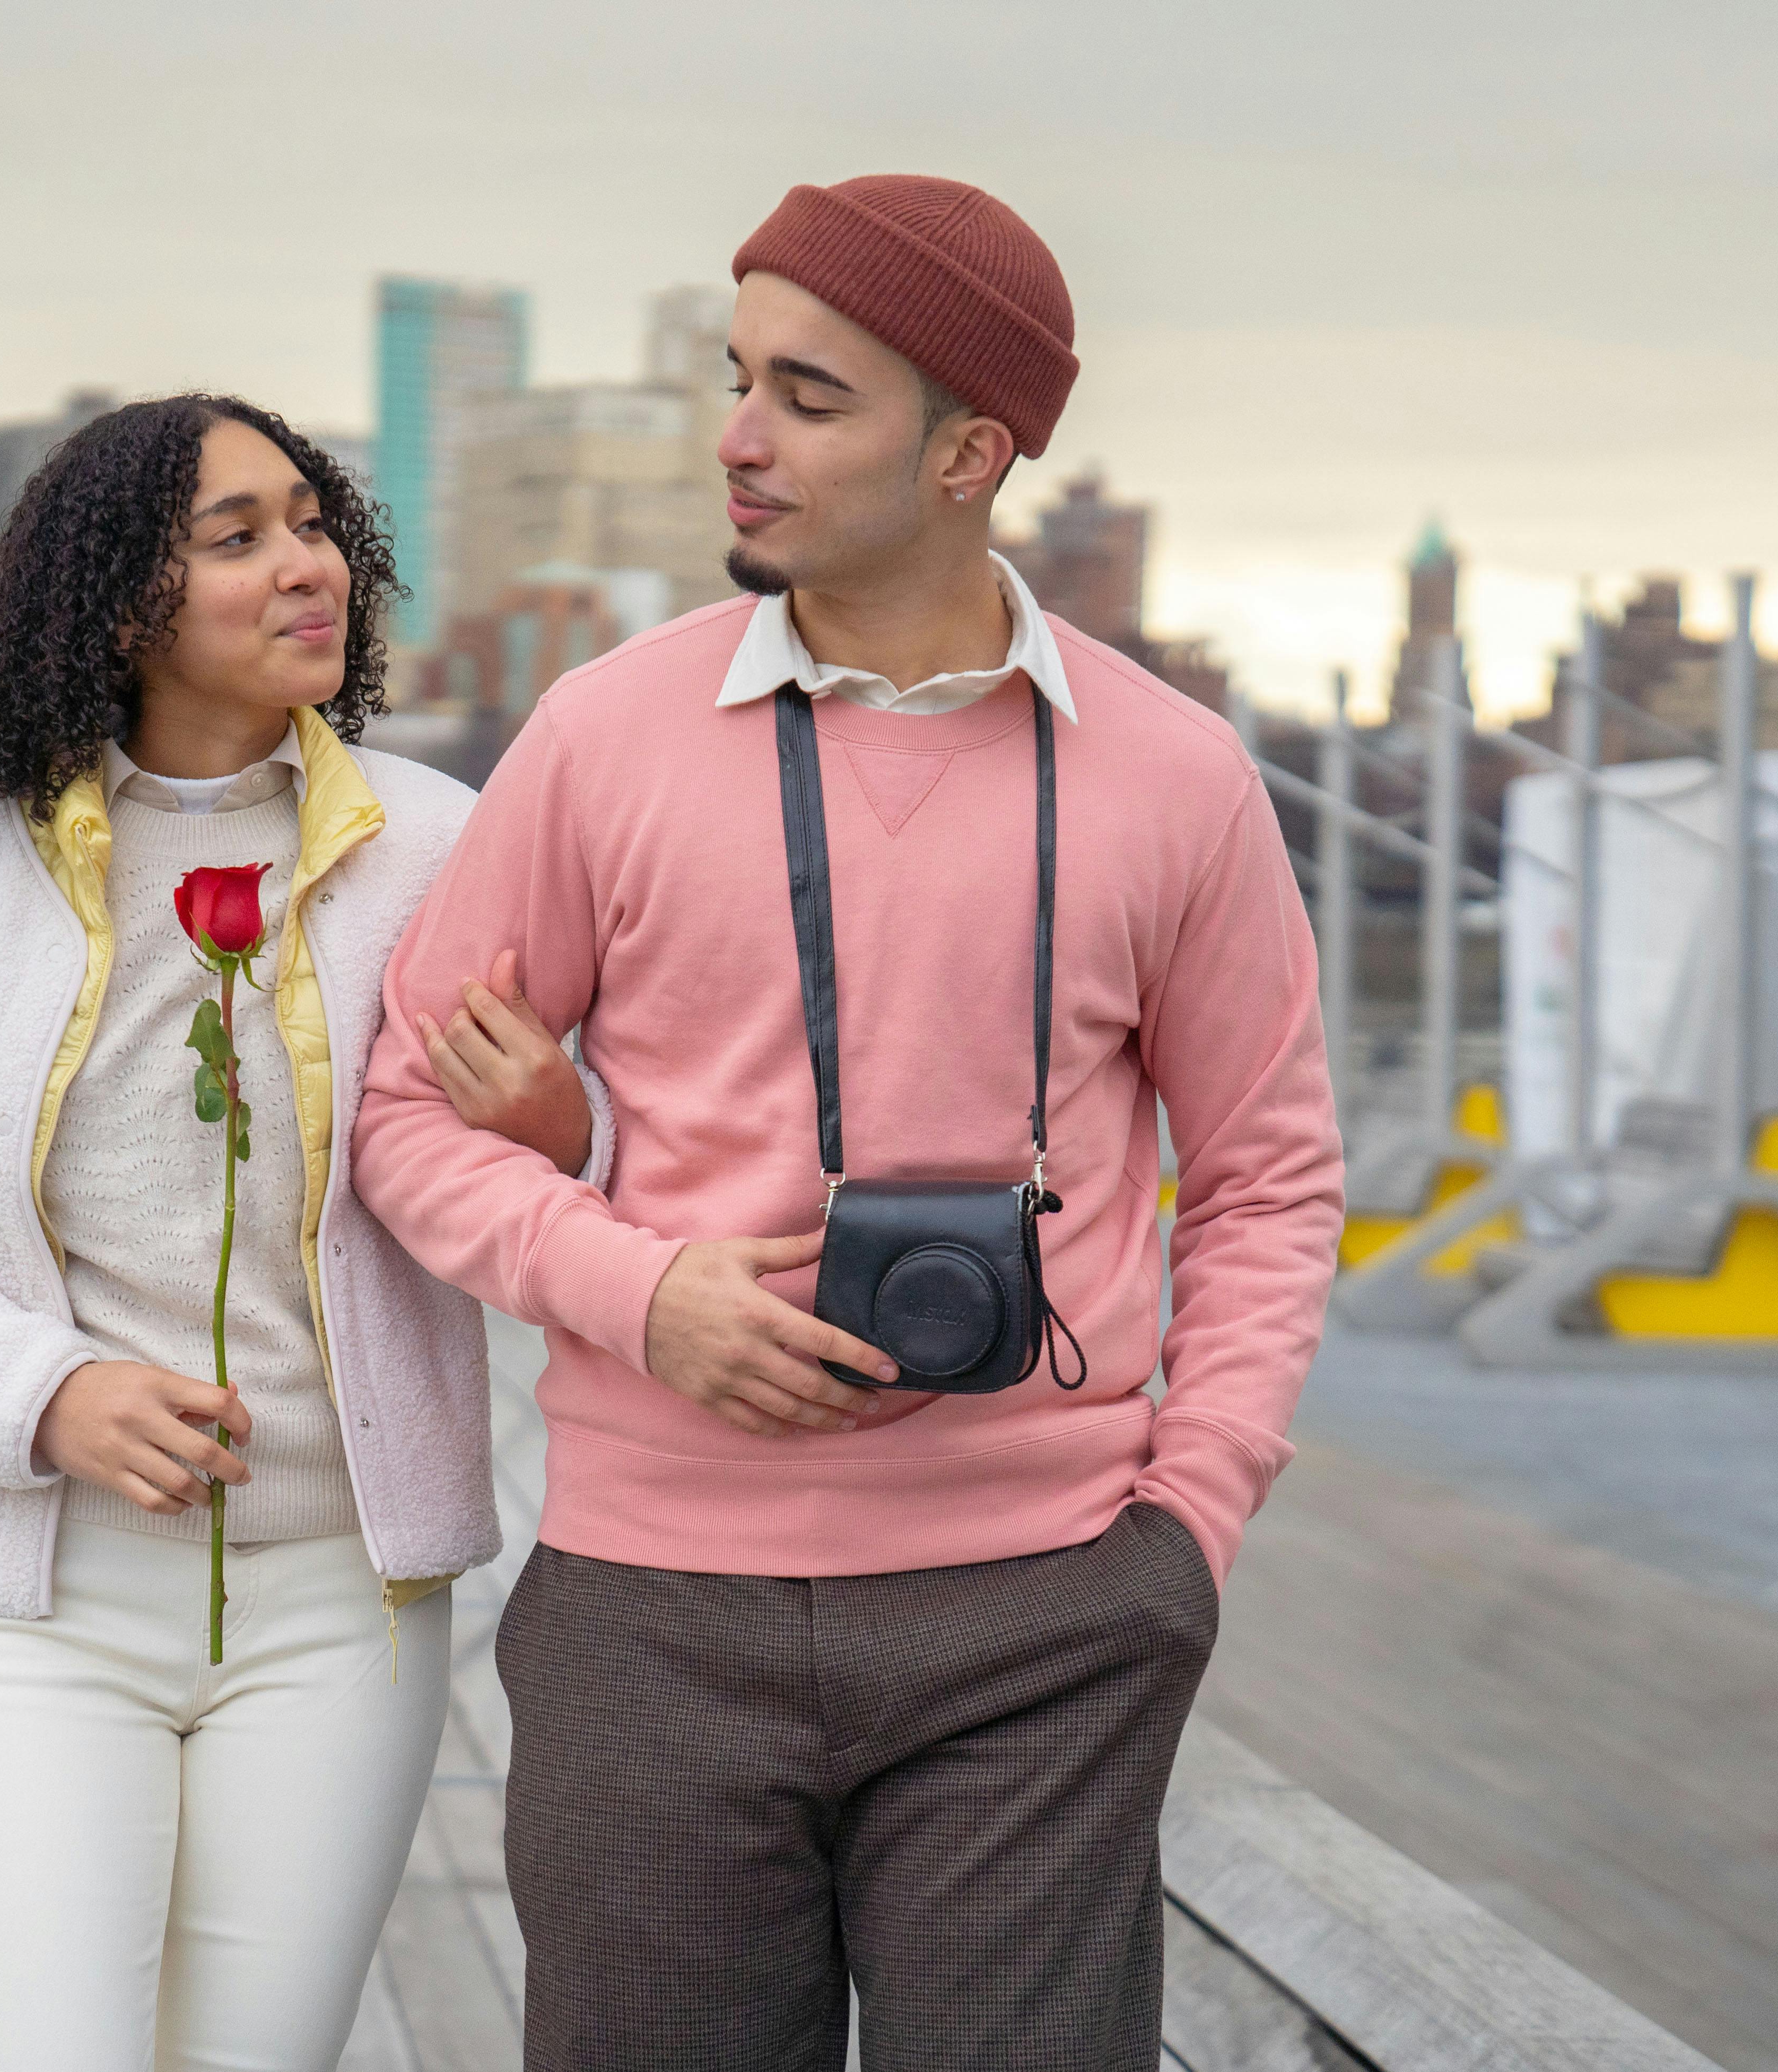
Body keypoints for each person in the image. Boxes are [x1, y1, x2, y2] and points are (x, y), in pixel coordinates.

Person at [352, 177, 1346, 2071]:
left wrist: (1187, 1525)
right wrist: (643, 1295)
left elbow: (1268, 1176)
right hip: (650, 1619)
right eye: (736, 380)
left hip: (1048, 1628)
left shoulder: (1176, 776)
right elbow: (409, 1111)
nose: (734, 438)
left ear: (971, 450)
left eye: (806, 397)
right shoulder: (599, 735)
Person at [0, 394, 602, 2071]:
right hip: (40, 1595)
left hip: (350, 1604)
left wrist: (567, 1126)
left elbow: (608, 1143)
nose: (307, 565)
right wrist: (42, 1391)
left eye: (313, 520)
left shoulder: (440, 847)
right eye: (238, 536)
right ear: (118, 598)